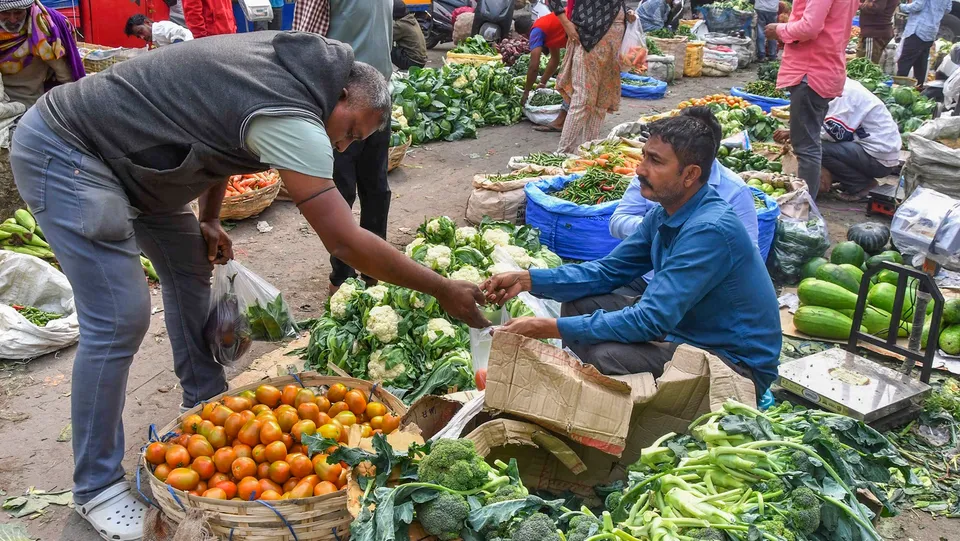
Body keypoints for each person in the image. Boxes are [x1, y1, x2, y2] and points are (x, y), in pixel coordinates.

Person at [10, 32, 487, 540]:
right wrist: (440, 288)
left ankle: (203, 410)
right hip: (72, 151)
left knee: (190, 268)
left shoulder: (298, 77)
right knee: (119, 316)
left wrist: (211, 218)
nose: (341, 146)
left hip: (140, 166)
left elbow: (222, 135)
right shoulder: (293, 110)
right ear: (342, 96)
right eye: (349, 132)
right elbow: (344, 241)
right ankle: (96, 489)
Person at [481, 109, 781, 396]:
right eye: (643, 157)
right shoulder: (667, 212)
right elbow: (608, 271)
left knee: (606, 355)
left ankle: (642, 417)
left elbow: (650, 320)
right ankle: (617, 393)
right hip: (688, 333)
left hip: (735, 364)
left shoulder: (709, 229)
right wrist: (528, 280)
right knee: (579, 305)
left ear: (690, 175)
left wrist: (545, 326)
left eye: (655, 161)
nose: (640, 170)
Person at [325, 0, 394, 294]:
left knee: (376, 187)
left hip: (379, 100)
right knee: (340, 192)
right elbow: (304, 43)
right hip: (343, 105)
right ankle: (342, 276)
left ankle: (373, 267)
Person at [764, 0, 858, 200]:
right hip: (825, 69)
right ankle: (807, 201)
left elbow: (810, 27)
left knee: (806, 147)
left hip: (811, 71)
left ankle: (803, 205)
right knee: (809, 143)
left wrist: (779, 30)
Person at [548, 0, 631, 152]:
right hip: (589, 38)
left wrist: (627, 12)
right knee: (583, 99)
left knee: (601, 101)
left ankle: (588, 153)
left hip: (613, 43)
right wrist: (566, 23)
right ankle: (562, 153)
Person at [0, 0, 83, 107]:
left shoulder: (42, 29)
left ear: (27, 9)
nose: (12, 19)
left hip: (28, 104)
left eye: (18, 12)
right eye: (5, 13)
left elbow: (66, 76)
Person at [517, 12, 566, 108]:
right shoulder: (545, 26)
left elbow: (534, 66)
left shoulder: (536, 31)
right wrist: (542, 82)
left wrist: (526, 91)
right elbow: (555, 59)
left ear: (524, 35)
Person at [897, 0, 952, 84]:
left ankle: (898, 87)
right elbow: (948, 9)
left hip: (918, 29)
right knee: (920, 63)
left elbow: (917, 6)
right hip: (931, 31)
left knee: (905, 62)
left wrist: (900, 6)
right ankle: (919, 88)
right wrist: (935, 12)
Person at [392, 0, 427, 70]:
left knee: (386, 47)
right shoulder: (411, 19)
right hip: (421, 61)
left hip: (412, 63)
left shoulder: (401, 25)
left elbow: (386, 37)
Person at [124, 14, 194, 47]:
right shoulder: (155, 37)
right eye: (139, 36)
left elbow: (179, 36)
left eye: (140, 32)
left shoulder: (159, 29)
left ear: (147, 22)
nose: (142, 37)